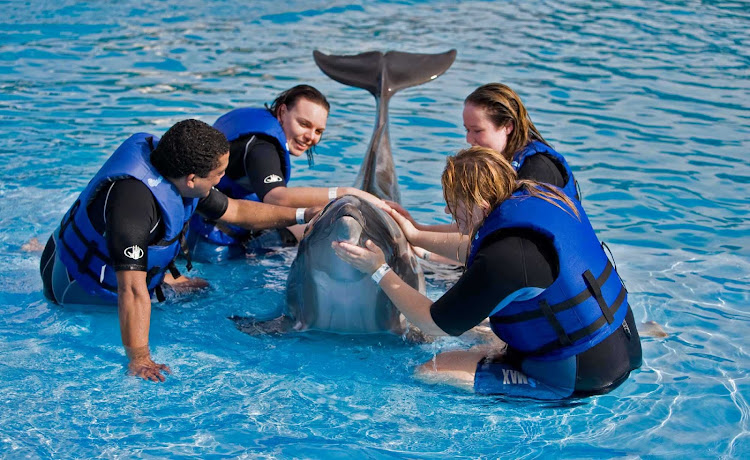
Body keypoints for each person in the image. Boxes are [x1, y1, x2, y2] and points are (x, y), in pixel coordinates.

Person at [333, 147, 641, 399]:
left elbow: (432, 321)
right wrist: (414, 235)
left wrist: (378, 270)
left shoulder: (506, 259)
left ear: (479, 204)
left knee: (432, 370)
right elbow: (482, 247)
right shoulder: (543, 198)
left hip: (585, 374)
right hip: (624, 341)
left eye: (452, 206)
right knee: (484, 333)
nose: (447, 214)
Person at [39, 119, 319, 382]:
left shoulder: (176, 170)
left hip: (91, 255)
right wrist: (139, 359)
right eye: (218, 174)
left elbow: (235, 210)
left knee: (201, 288)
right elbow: (132, 291)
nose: (221, 181)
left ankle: (165, 280)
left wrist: (303, 215)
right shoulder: (134, 205)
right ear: (192, 179)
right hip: (76, 286)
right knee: (154, 297)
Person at [188, 84, 385, 262]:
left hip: (211, 228)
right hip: (214, 247)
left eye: (318, 131)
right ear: (282, 112)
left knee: (315, 229)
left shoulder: (258, 124)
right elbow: (276, 197)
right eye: (304, 124)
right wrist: (345, 193)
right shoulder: (262, 146)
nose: (311, 137)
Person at [391, 83, 579, 237]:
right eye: (467, 130)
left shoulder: (536, 172)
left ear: (507, 126)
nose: (468, 139)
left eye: (477, 130)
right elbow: (478, 224)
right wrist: (418, 228)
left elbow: (500, 241)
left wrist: (417, 240)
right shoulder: (502, 164)